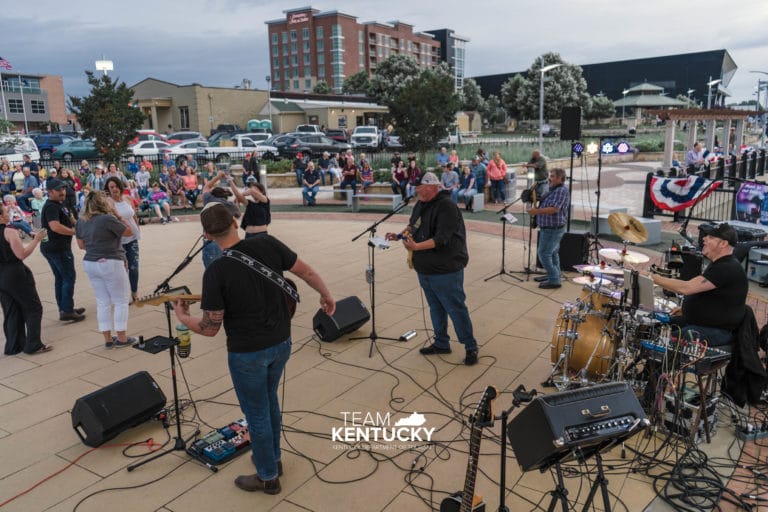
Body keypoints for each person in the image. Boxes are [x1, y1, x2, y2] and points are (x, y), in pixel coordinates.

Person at [173, 202, 335, 495]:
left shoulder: (216, 271)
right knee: (268, 402)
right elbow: (306, 272)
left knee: (257, 413)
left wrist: (184, 317)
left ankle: (267, 476)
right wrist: (326, 296)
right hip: (281, 343)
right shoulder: (267, 243)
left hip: (248, 353)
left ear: (207, 235)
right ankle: (272, 457)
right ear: (236, 223)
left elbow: (210, 328)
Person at [385, 172, 479, 366]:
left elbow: (441, 238)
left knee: (455, 308)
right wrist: (399, 236)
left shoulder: (447, 207)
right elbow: (414, 226)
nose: (416, 190)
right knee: (435, 307)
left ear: (432, 187)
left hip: (446, 268)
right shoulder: (421, 204)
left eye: (419, 187)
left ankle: (470, 347)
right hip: (425, 268)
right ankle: (441, 343)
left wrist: (416, 247)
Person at [651, 223, 747, 347]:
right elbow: (714, 297)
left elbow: (686, 288)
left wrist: (653, 278)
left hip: (718, 331)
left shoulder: (726, 267)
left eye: (711, 237)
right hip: (701, 322)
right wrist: (686, 309)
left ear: (723, 243)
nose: (704, 239)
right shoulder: (720, 263)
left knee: (669, 340)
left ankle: (662, 364)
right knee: (655, 321)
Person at [76, 191, 135, 348]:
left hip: (90, 262)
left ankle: (107, 339)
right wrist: (118, 215)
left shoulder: (81, 221)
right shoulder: (107, 219)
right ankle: (122, 337)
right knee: (121, 300)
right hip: (111, 261)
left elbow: (81, 245)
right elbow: (129, 232)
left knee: (103, 302)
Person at [0, 203, 50, 355]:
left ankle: (13, 346)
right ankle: (33, 344)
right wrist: (36, 239)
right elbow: (21, 253)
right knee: (33, 307)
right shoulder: (9, 231)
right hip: (14, 272)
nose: (8, 212)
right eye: (4, 211)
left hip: (1, 275)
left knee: (11, 309)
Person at [40, 179, 86, 322]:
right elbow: (55, 227)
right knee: (68, 277)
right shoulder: (51, 207)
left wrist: (81, 226)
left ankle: (65, 308)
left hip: (54, 248)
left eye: (63, 189)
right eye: (59, 190)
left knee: (61, 278)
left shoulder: (61, 204)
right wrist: (75, 233)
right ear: (50, 192)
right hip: (56, 248)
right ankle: (66, 310)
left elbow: (71, 218)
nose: (62, 192)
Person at [527, 168, 569, 289]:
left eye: (553, 176)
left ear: (561, 178)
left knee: (544, 254)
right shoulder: (553, 189)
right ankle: (555, 275)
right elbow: (545, 201)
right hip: (549, 228)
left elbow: (554, 209)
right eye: (550, 176)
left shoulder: (561, 190)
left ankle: (554, 279)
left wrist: (536, 211)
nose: (550, 178)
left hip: (553, 229)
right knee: (553, 253)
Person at [106, 177, 141, 303]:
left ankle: (134, 292)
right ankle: (124, 295)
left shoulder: (127, 198)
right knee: (122, 268)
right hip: (119, 239)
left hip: (132, 237)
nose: (114, 189)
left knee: (134, 267)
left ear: (120, 186)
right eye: (111, 187)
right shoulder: (108, 202)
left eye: (116, 186)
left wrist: (137, 227)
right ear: (108, 189)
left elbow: (133, 214)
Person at [200, 171, 241, 268]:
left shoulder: (208, 198)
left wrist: (218, 176)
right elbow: (238, 214)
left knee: (212, 271)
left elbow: (206, 187)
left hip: (211, 240)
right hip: (228, 242)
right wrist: (237, 203)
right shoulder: (229, 205)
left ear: (213, 194)